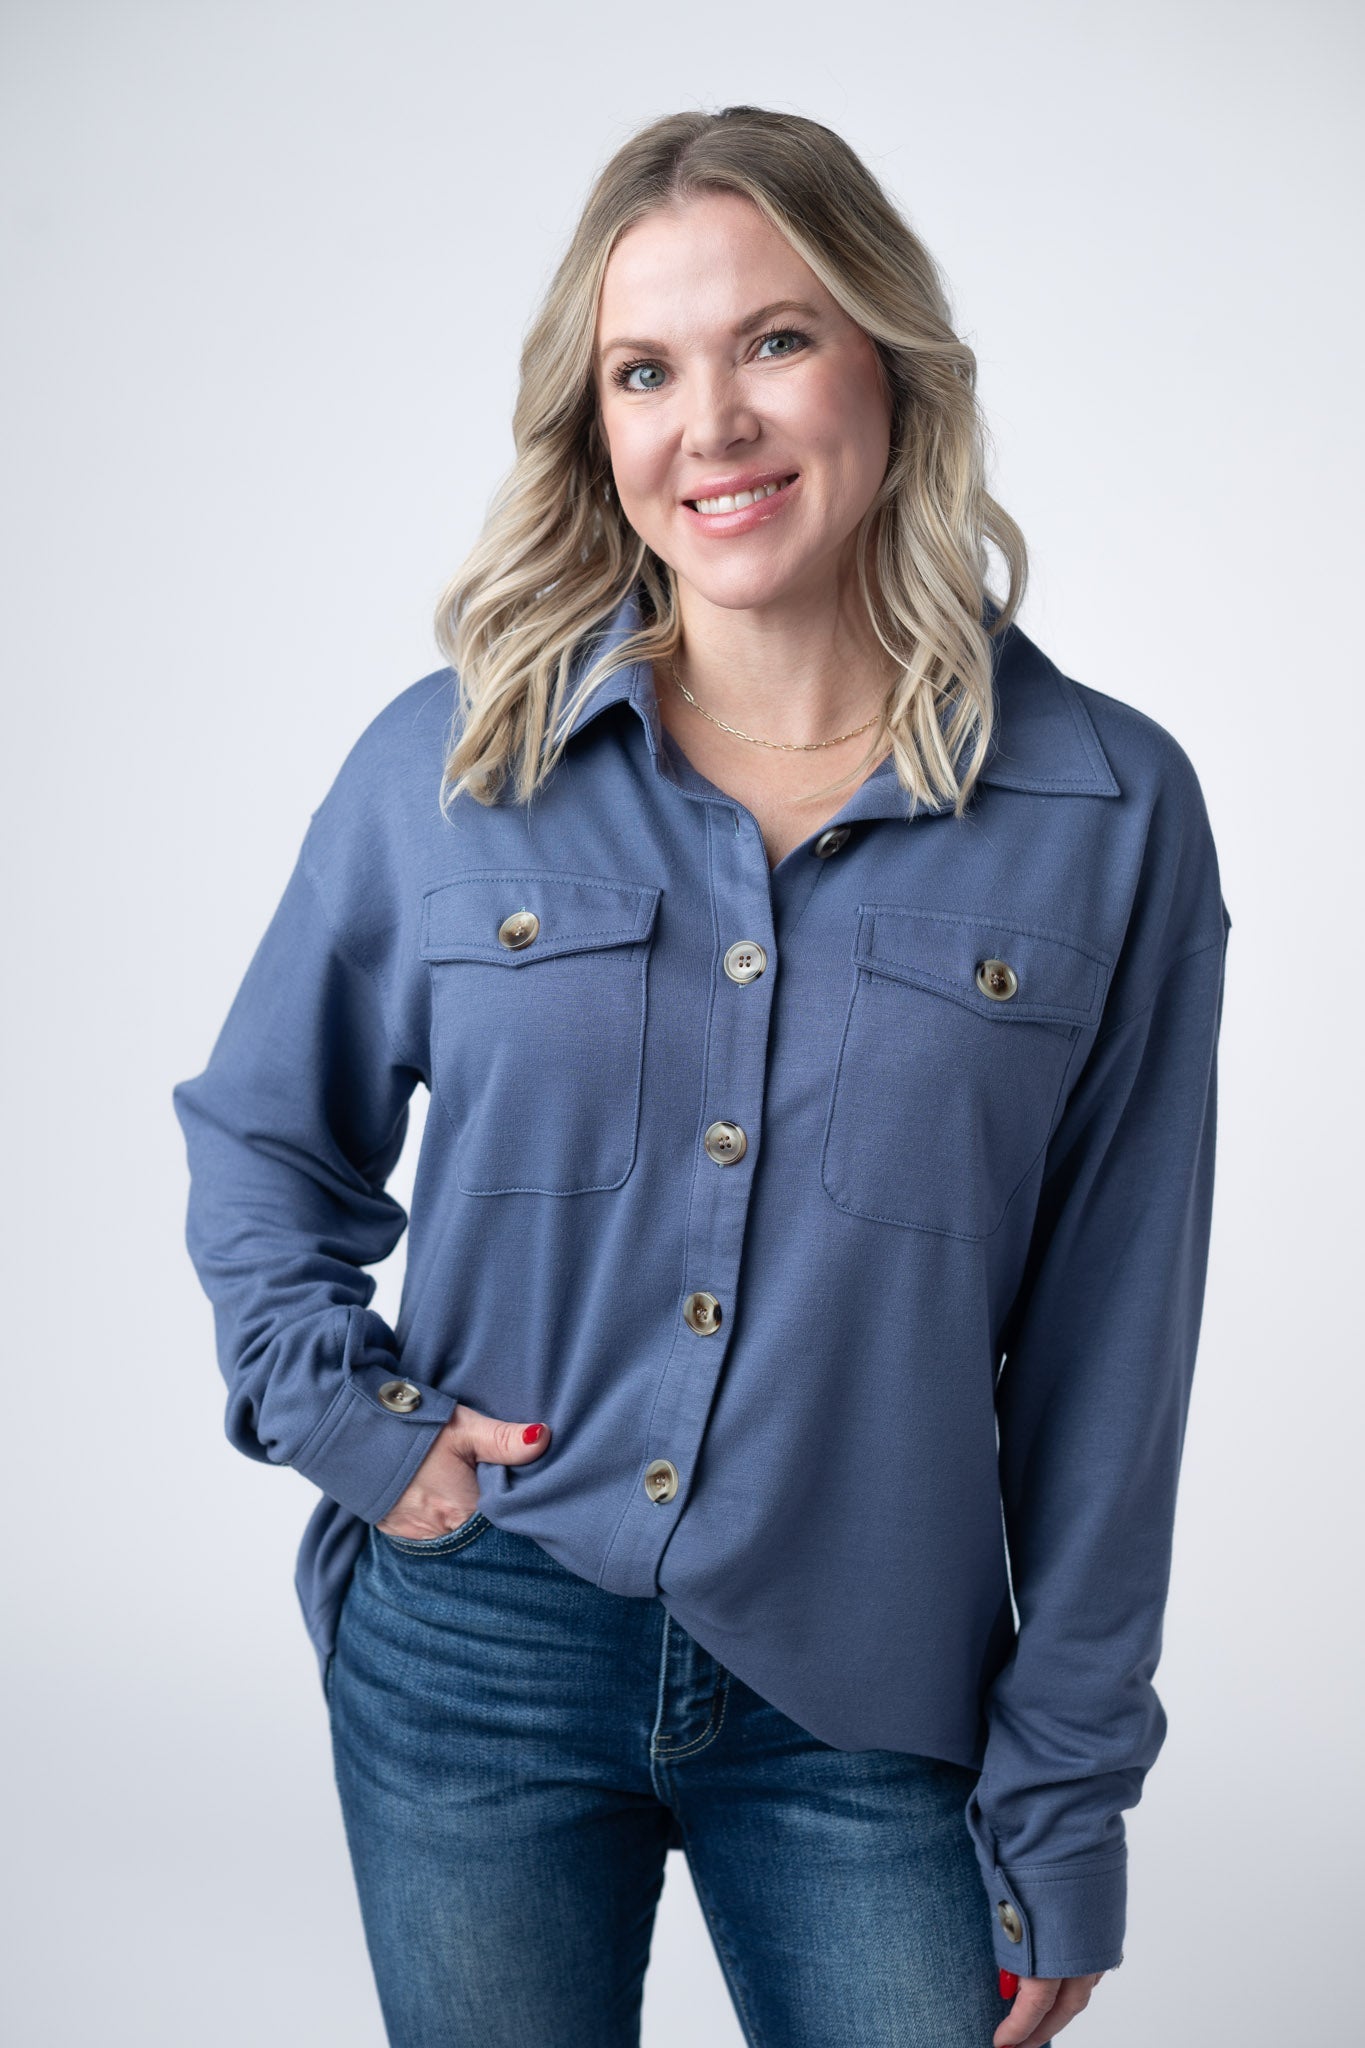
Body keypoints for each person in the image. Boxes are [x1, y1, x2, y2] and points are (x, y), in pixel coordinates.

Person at [171, 104, 1231, 2048]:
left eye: (770, 340)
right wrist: (353, 1425)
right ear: (595, 428)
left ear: (885, 367)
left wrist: (1063, 1806)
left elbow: (1110, 1353)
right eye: (642, 370)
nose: (707, 424)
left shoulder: (1103, 810)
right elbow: (262, 1133)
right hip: (480, 1646)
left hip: (870, 1697)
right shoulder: (449, 765)